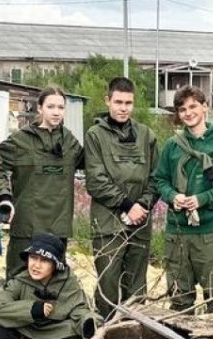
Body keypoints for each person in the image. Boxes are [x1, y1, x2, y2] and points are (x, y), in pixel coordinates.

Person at [152, 85, 213, 313]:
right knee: (180, 299)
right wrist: (173, 196)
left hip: (208, 233)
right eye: (182, 109)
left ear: (205, 107)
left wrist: (201, 199)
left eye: (193, 106)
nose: (188, 113)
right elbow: (160, 180)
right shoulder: (173, 146)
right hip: (177, 232)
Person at [84, 76, 158, 318]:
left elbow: (157, 177)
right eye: (118, 102)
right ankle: (105, 337)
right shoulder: (95, 135)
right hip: (108, 223)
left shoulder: (146, 135)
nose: (123, 108)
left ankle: (135, 336)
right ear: (108, 101)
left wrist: (143, 205)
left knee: (136, 286)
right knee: (109, 282)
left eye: (128, 103)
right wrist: (127, 205)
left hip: (140, 222)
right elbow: (96, 181)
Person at [0, 87, 84, 279]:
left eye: (61, 107)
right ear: (40, 108)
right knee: (18, 280)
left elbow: (94, 165)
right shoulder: (21, 140)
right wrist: (4, 196)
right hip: (27, 227)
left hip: (57, 228)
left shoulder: (69, 142)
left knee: (53, 284)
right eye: (50, 106)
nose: (56, 112)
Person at [0, 233, 99, 339]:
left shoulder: (68, 282)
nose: (36, 265)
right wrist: (32, 309)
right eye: (33, 258)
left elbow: (80, 309)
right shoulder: (20, 280)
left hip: (55, 332)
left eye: (44, 261)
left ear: (55, 264)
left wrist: (89, 322)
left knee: (78, 326)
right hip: (26, 330)